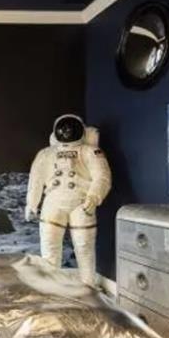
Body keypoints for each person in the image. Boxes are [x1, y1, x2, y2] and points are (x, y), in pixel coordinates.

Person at [25, 114, 111, 286]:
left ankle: (88, 286)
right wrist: (32, 203)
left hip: (81, 204)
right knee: (50, 248)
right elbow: (36, 180)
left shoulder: (90, 152)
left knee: (84, 247)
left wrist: (93, 197)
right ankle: (52, 286)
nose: (66, 131)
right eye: (63, 128)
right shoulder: (46, 154)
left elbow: (102, 177)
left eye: (70, 128)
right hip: (53, 204)